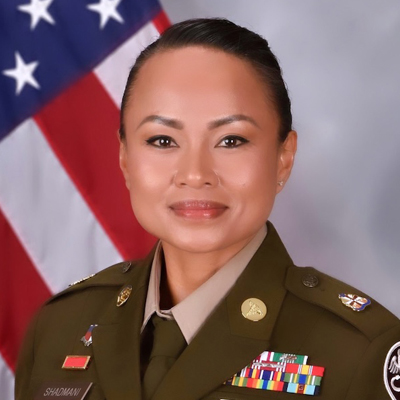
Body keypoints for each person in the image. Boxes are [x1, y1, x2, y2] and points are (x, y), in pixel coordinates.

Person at [15, 18, 400, 400]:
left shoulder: (361, 351)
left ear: (283, 158)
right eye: (163, 140)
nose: (195, 174)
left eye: (231, 140)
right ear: (125, 159)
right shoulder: (58, 329)